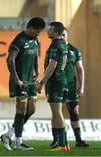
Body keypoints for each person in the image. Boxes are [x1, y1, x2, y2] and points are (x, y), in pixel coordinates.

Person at [0, 17, 46, 151]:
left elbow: (35, 57)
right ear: (30, 28)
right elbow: (10, 60)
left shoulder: (35, 40)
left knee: (31, 110)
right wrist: (16, 79)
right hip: (21, 81)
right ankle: (19, 143)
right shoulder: (19, 40)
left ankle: (8, 135)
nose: (38, 34)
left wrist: (37, 72)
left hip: (31, 81)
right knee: (21, 110)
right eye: (37, 31)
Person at [49, 28, 89, 147]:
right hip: (57, 86)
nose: (62, 37)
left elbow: (80, 69)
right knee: (56, 112)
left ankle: (78, 139)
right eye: (60, 35)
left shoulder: (74, 51)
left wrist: (81, 86)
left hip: (71, 86)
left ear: (67, 35)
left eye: (64, 34)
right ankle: (56, 140)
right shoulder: (55, 48)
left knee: (74, 111)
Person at [38, 22, 69, 151]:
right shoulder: (63, 44)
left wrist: (41, 82)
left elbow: (52, 66)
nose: (47, 31)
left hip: (55, 82)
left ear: (56, 32)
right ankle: (61, 143)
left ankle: (63, 145)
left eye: (50, 30)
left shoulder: (56, 45)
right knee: (56, 113)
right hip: (61, 81)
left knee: (57, 113)